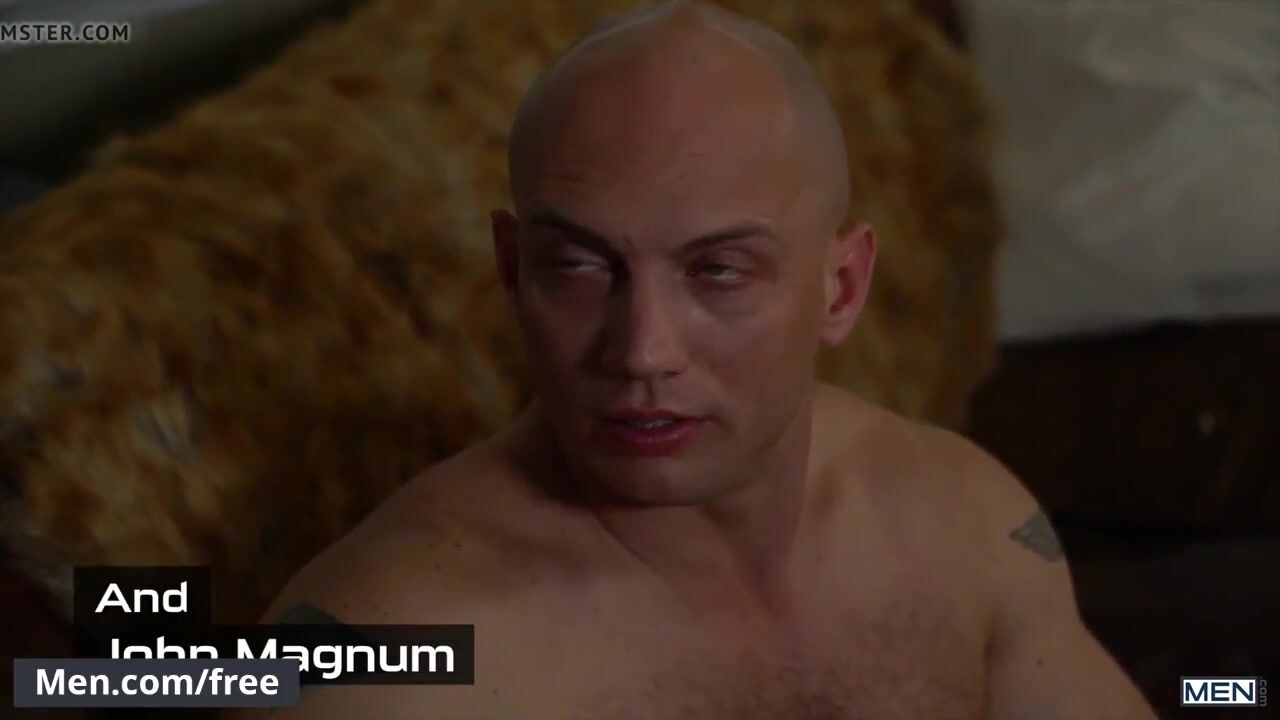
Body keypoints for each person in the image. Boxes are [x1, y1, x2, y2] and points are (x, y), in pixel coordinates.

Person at [238, 2, 1157, 717]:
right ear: (514, 272)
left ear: (841, 288)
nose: (643, 351)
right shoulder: (385, 658)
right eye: (580, 267)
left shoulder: (964, 524)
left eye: (718, 271)